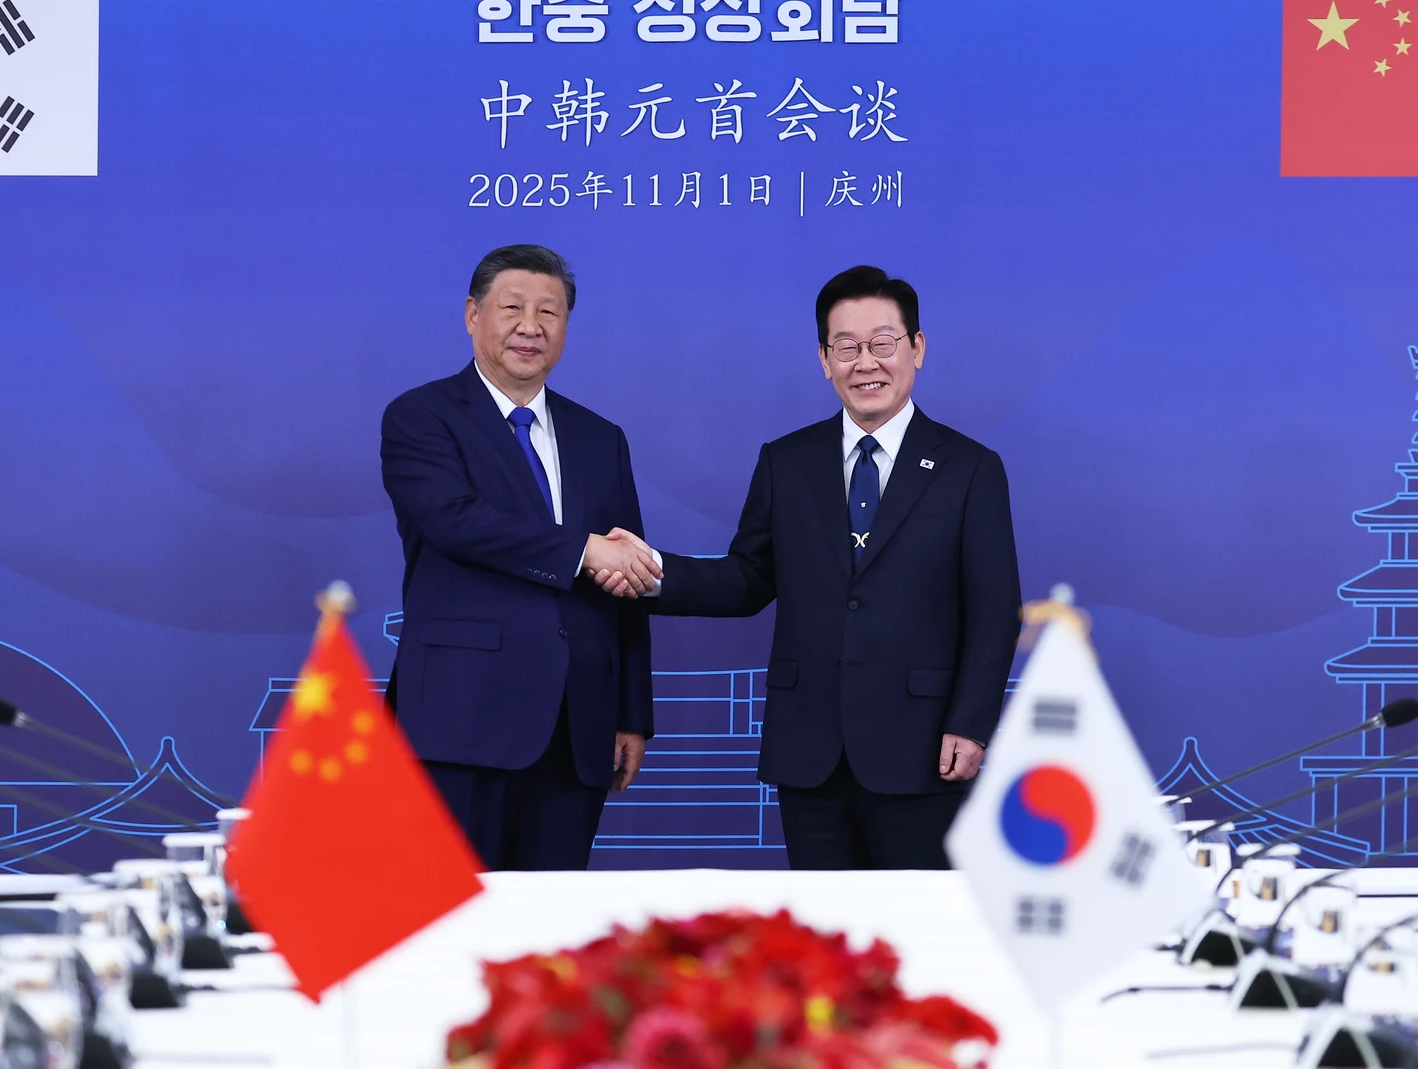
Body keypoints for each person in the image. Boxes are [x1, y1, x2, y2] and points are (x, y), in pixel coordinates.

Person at [595, 265, 1022, 869]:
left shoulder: (970, 468)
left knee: (920, 941)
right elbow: (746, 579)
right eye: (846, 346)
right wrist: (649, 570)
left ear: (917, 348)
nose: (865, 362)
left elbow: (993, 611)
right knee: (827, 936)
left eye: (883, 343)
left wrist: (971, 725)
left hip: (924, 749)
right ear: (824, 359)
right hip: (811, 752)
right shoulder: (787, 462)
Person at [380, 244, 662, 871]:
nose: (530, 326)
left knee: (551, 931)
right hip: (460, 720)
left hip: (576, 726)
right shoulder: (422, 417)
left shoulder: (599, 437)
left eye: (549, 312)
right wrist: (583, 549)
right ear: (472, 314)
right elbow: (456, 522)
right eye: (511, 307)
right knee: (451, 923)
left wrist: (631, 713)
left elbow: (629, 575)